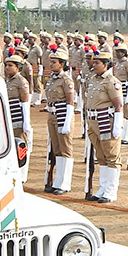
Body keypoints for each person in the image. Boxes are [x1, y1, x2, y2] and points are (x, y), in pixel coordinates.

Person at [84, 49, 125, 203]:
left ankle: (111, 191)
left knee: (112, 156)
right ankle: (102, 188)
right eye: (93, 62)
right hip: (94, 121)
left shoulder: (111, 81)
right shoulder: (94, 79)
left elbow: (118, 104)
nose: (94, 65)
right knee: (101, 156)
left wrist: (117, 125)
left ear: (106, 64)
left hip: (106, 121)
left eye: (97, 63)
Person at [42, 48, 76, 194]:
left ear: (62, 64)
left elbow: (70, 102)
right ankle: (57, 182)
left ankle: (65, 183)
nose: (51, 64)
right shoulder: (51, 79)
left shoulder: (66, 80)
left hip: (63, 114)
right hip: (52, 115)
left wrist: (67, 121)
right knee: (56, 149)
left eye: (54, 62)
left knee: (65, 149)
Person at [4, 54, 32, 149]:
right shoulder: (7, 80)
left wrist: (26, 122)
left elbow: (25, 103)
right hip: (9, 114)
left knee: (20, 142)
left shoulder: (21, 81)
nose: (7, 67)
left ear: (18, 67)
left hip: (18, 116)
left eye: (10, 65)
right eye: (6, 65)